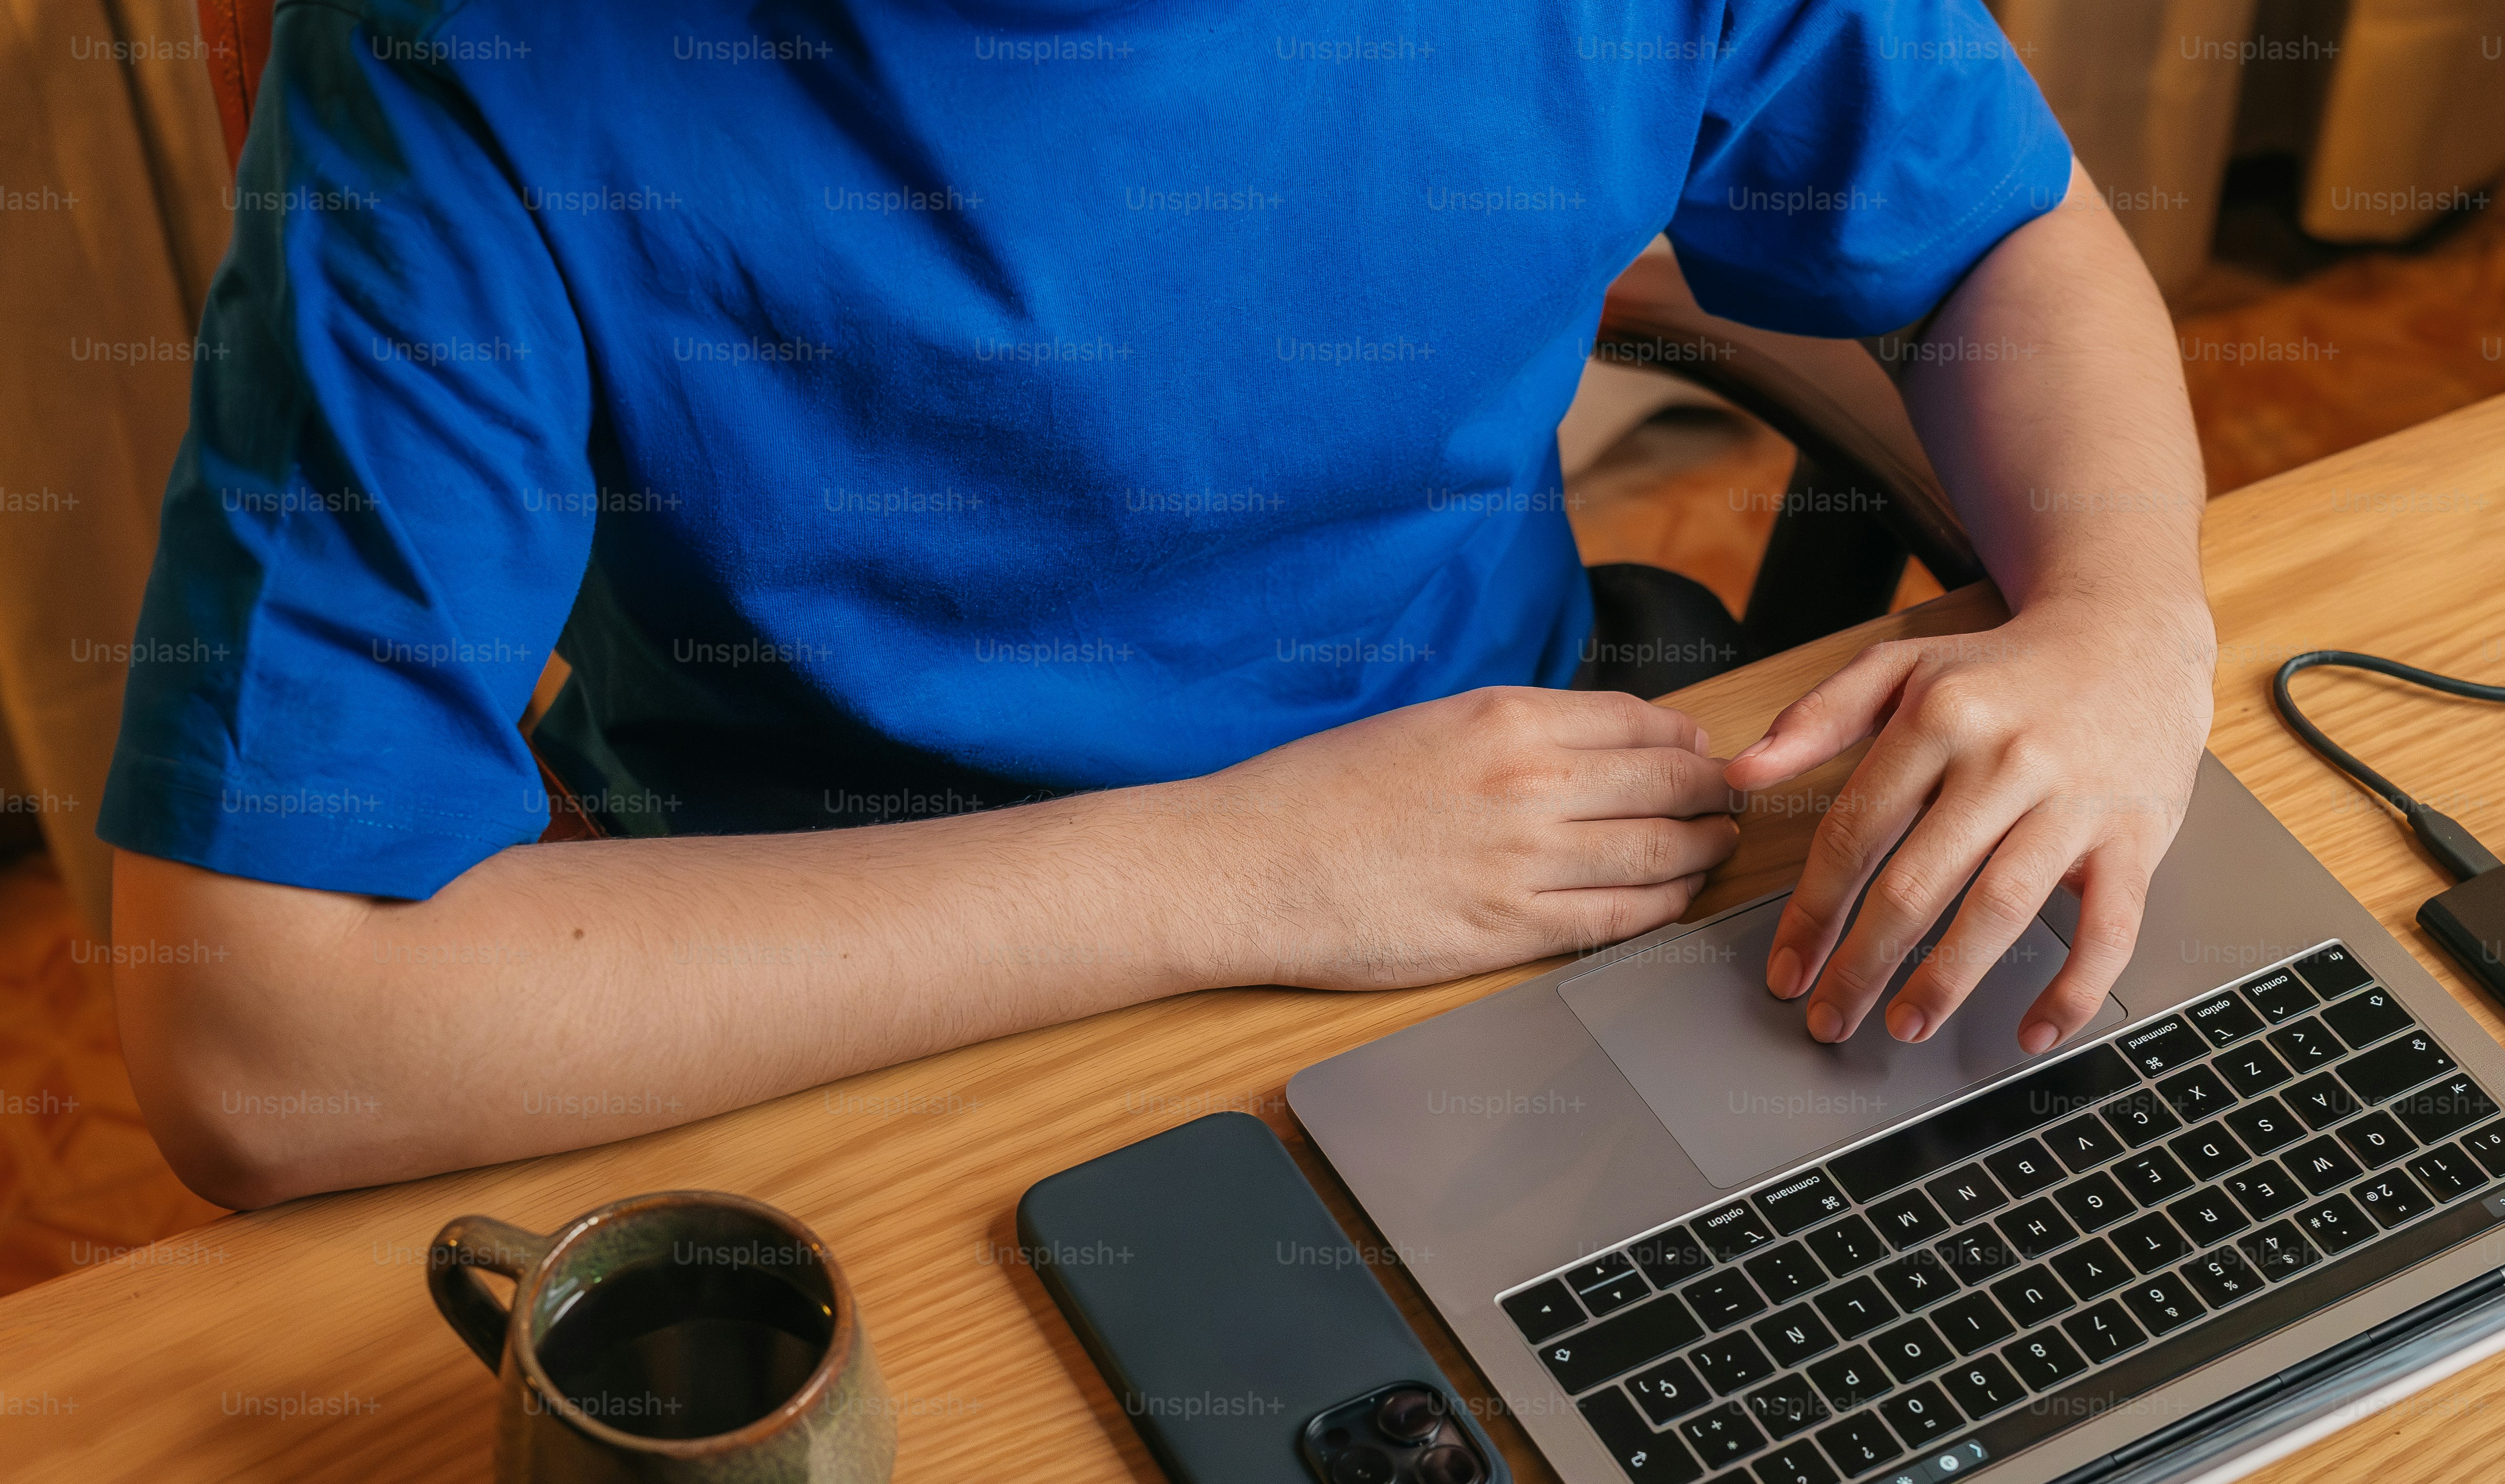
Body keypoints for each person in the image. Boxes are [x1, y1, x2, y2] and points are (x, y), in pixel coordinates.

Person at [104, 0, 2215, 1210]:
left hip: (1524, 888)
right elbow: (260, 1034)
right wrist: (1242, 869)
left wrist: (2128, 612)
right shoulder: (473, 55)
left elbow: (1998, 245)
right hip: (843, 1024)